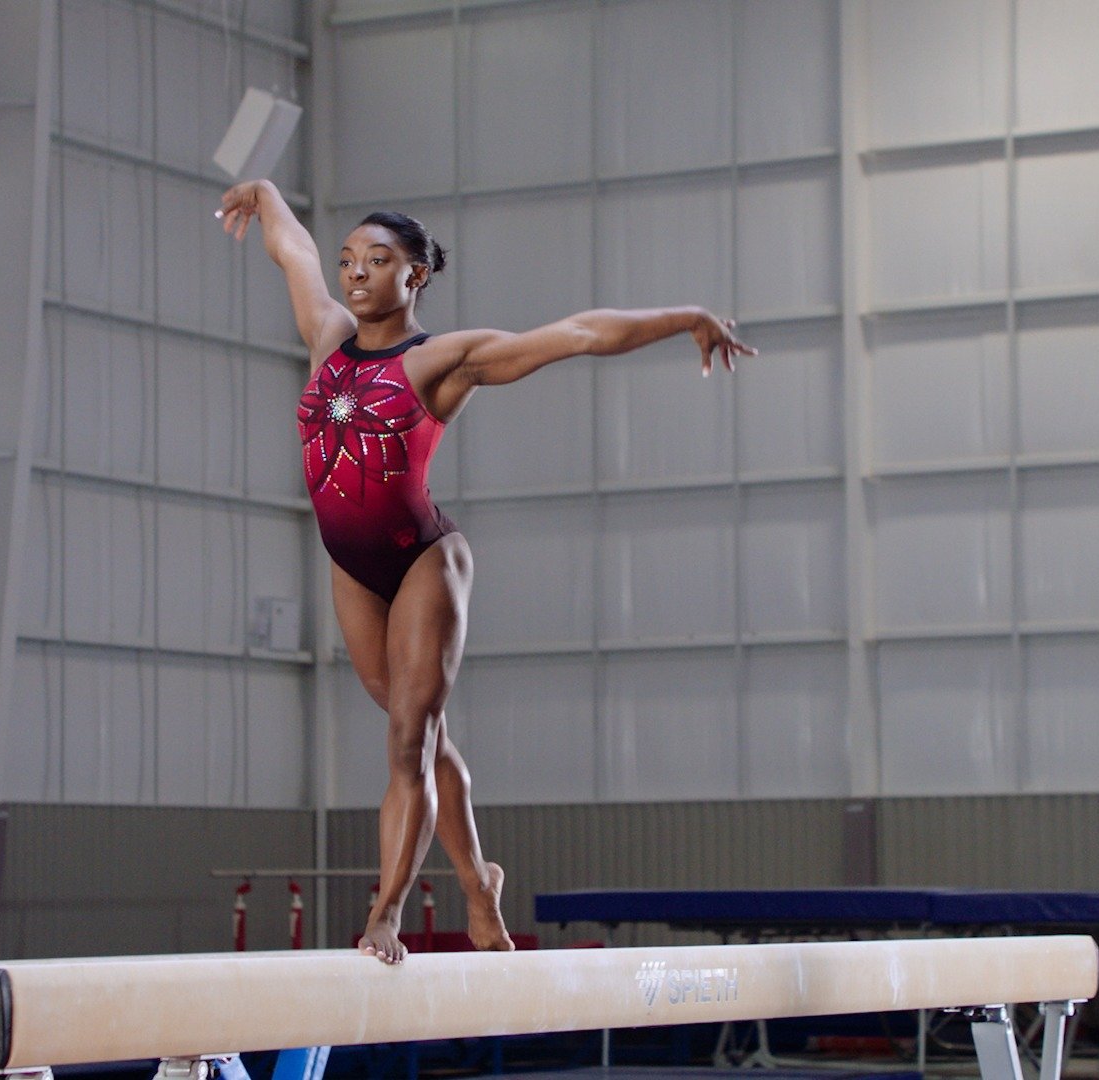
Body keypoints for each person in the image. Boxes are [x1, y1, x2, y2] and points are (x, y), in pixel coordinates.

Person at [217, 178, 754, 964]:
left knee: (408, 743)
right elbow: (290, 247)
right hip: (353, 569)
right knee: (425, 743)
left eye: (378, 260)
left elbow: (577, 333)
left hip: (423, 561)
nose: (355, 273)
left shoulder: (442, 360)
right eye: (349, 261)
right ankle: (479, 882)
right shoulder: (325, 335)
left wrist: (688, 319)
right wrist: (264, 193)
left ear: (416, 275)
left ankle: (385, 914)